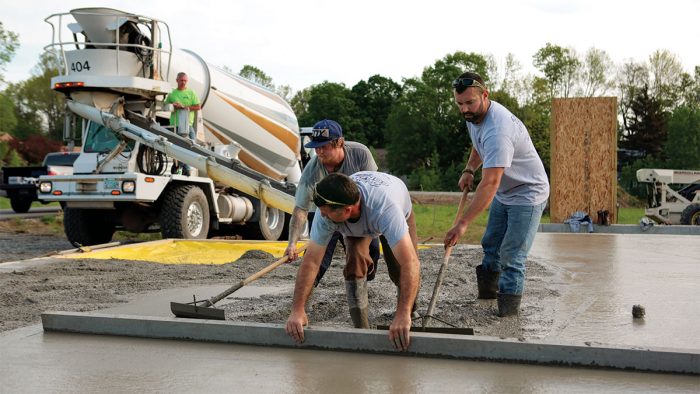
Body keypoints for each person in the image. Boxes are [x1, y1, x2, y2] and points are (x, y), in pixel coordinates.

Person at [443, 72, 549, 317]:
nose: (464, 109)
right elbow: (479, 144)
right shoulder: (475, 116)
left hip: (527, 193)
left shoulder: (498, 131)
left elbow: (490, 183)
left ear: (485, 95)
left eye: (469, 103)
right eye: (460, 104)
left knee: (512, 255)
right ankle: (488, 297)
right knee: (491, 244)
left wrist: (462, 224)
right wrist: (470, 168)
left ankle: (508, 315)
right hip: (506, 192)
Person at [285, 172, 421, 352]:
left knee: (399, 267)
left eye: (327, 212)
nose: (322, 215)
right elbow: (311, 262)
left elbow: (410, 263)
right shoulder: (327, 211)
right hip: (358, 222)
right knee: (354, 264)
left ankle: (409, 313)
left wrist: (402, 314)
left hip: (397, 205)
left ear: (347, 210)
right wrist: (297, 310)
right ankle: (361, 329)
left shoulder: (385, 210)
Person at [285, 119, 380, 287]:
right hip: (325, 214)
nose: (319, 152)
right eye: (316, 147)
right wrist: (292, 243)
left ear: (340, 142)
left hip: (356, 213)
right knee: (314, 260)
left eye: (324, 146)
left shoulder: (360, 154)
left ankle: (362, 284)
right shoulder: (312, 170)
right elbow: (301, 208)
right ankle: (305, 296)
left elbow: (374, 190)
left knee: (369, 254)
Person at [164, 72, 201, 176]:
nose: (183, 82)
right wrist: (173, 105)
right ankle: (186, 170)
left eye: (185, 80)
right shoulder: (172, 93)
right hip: (175, 125)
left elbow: (198, 106)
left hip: (187, 124)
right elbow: (165, 105)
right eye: (182, 80)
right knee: (180, 148)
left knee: (191, 147)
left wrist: (185, 107)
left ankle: (179, 166)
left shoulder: (191, 92)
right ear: (177, 80)